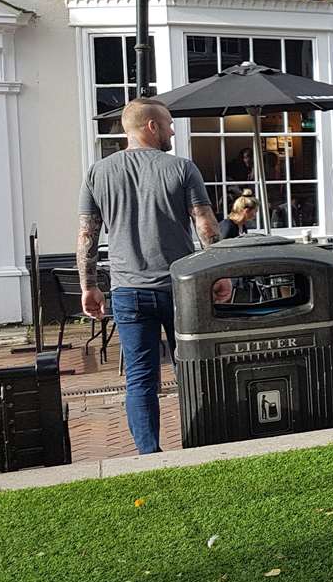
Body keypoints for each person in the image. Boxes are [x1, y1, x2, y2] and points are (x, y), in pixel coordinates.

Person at [77, 97, 225, 454]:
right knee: (192, 371)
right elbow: (205, 226)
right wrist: (219, 273)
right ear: (151, 126)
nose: (174, 129)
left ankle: (148, 453)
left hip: (128, 291)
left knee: (141, 379)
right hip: (181, 289)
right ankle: (200, 444)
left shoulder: (98, 173)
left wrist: (89, 286)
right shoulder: (182, 169)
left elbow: (86, 237)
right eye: (170, 123)